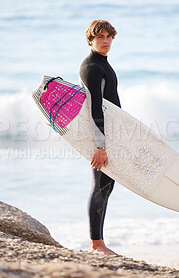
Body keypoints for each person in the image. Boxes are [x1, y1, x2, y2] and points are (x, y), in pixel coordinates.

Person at [79, 19, 121, 256]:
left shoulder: (103, 64)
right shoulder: (92, 67)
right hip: (100, 138)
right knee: (100, 186)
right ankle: (96, 244)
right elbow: (95, 108)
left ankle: (99, 243)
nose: (106, 41)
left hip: (109, 136)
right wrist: (100, 145)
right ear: (90, 40)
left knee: (107, 186)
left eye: (109, 37)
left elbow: (110, 103)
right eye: (101, 37)